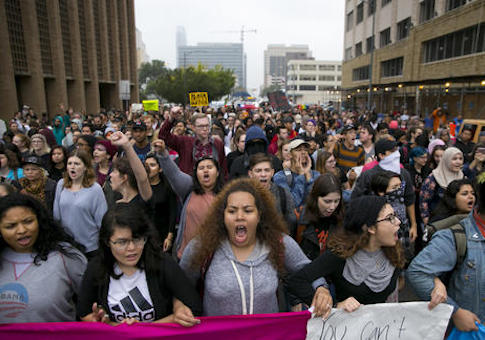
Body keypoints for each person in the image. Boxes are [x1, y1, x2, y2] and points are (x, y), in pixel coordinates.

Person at [179, 178, 312, 316]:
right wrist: (179, 307)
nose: (239, 216)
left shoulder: (279, 242)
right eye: (232, 211)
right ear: (222, 216)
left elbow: (308, 271)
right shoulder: (201, 246)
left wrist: (321, 289)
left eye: (248, 211)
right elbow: (180, 287)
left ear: (259, 215)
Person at [78, 206, 202, 326]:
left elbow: (194, 307)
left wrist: (178, 306)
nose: (132, 248)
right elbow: (84, 312)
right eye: (122, 242)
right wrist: (107, 323)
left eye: (137, 239)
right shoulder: (96, 267)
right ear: (107, 242)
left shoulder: (163, 263)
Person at [286, 196, 405, 318]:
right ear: (371, 228)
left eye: (395, 216)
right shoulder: (341, 255)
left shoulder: (396, 251)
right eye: (390, 218)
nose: (398, 221)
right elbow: (297, 281)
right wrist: (332, 306)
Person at [406, 175, 485, 332]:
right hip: (474, 330)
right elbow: (417, 272)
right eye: (464, 193)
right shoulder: (453, 237)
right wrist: (454, 311)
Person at [0, 193, 87, 323]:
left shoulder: (66, 257)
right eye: (11, 226)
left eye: (28, 221)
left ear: (40, 221)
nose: (22, 230)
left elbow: (92, 302)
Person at [157, 145, 224, 259]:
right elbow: (174, 174)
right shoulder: (189, 188)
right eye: (201, 168)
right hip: (184, 256)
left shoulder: (225, 197)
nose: (205, 170)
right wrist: (163, 153)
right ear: (196, 174)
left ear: (217, 172)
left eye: (209, 167)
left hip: (212, 259)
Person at [53, 149, 108, 258]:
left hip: (90, 247)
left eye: (77, 164)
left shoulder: (95, 189)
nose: (72, 167)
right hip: (68, 246)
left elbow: (102, 220)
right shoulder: (61, 184)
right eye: (70, 163)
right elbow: (56, 215)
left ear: (85, 167)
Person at [160, 107, 227, 177]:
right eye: (201, 126)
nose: (205, 129)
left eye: (207, 126)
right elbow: (163, 136)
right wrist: (171, 118)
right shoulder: (185, 142)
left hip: (213, 184)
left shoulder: (217, 144)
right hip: (191, 184)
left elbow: (223, 169)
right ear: (193, 127)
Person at [296, 173, 343, 260]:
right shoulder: (299, 219)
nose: (332, 207)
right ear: (316, 198)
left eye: (336, 201)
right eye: (327, 201)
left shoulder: (341, 218)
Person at [247, 153, 297, 236]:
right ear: (250, 174)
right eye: (258, 171)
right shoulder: (243, 194)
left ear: (272, 172)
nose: (263, 174)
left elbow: (291, 220)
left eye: (267, 170)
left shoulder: (283, 193)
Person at [108, 131, 152, 211]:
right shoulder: (115, 201)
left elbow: (142, 179)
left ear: (124, 178)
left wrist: (127, 146)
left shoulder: (142, 199)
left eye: (114, 171)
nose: (110, 175)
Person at [144, 148, 177, 252]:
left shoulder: (167, 187)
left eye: (152, 165)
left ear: (160, 169)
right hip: (144, 236)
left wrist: (169, 237)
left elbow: (173, 212)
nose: (148, 168)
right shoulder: (140, 187)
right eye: (146, 165)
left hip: (162, 236)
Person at [420, 147, 464, 225]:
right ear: (446, 160)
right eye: (454, 159)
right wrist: (426, 219)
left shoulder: (462, 177)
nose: (458, 162)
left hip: (458, 221)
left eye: (460, 159)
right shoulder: (433, 178)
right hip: (437, 222)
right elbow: (424, 200)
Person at [273, 139, 320, 208]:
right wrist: (301, 175)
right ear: (290, 154)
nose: (303, 152)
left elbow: (315, 201)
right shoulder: (280, 176)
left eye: (306, 150)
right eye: (298, 150)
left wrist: (307, 175)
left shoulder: (316, 174)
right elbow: (292, 203)